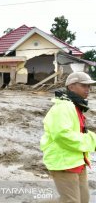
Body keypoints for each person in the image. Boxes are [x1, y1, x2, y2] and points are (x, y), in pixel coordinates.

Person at [40, 71, 96, 203]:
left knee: (83, 200)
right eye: (84, 86)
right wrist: (92, 141)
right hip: (63, 163)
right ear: (71, 87)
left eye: (89, 86)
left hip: (77, 160)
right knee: (71, 201)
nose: (88, 89)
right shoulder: (63, 107)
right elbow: (62, 135)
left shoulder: (76, 105)